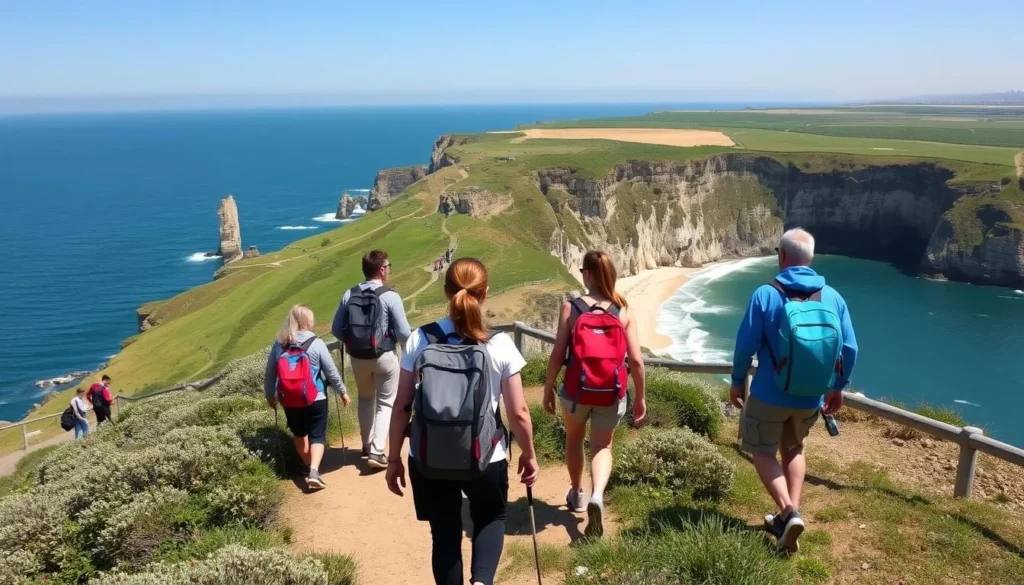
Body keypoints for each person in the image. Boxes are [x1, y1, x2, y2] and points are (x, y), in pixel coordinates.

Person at [385, 258, 539, 585]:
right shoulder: (499, 344)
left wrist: (394, 457)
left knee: (444, 534)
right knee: (490, 517)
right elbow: (519, 412)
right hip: (486, 456)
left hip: (428, 457)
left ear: (445, 292)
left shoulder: (420, 339)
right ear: (485, 294)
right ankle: (482, 581)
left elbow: (402, 406)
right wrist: (529, 453)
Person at [729, 228, 858, 553]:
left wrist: (735, 380)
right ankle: (789, 520)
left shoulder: (766, 294)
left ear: (782, 256)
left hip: (769, 394)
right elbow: (850, 349)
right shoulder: (833, 297)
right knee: (795, 449)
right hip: (810, 396)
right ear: (810, 259)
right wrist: (837, 388)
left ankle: (788, 511)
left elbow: (745, 346)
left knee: (761, 451)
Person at [542, 250, 646, 538]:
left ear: (586, 274)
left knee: (574, 440)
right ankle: (597, 496)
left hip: (576, 392)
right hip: (611, 393)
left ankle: (578, 493)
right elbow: (636, 361)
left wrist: (549, 388)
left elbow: (557, 354)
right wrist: (640, 397)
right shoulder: (623, 311)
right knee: (602, 446)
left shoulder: (571, 308)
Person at [331, 249, 412, 470]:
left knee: (366, 399)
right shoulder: (390, 295)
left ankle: (366, 445)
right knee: (385, 403)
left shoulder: (349, 294)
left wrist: (353, 342)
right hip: (384, 355)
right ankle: (377, 451)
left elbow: (336, 329)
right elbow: (405, 333)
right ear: (383, 270)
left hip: (357, 357)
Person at [265, 304, 350, 490]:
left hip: (289, 399)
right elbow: (332, 372)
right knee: (317, 435)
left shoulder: (279, 346)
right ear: (308, 322)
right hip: (316, 397)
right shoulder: (317, 344)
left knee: (298, 433)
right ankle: (313, 471)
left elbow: (270, 373)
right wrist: (342, 392)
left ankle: (306, 463)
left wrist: (270, 395)